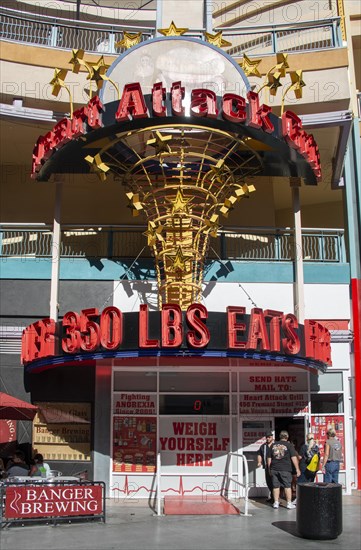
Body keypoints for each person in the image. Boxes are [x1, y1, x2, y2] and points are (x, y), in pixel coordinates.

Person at [267, 430, 301, 509]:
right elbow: (293, 457)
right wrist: (297, 469)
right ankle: (289, 503)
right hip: (285, 469)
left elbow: (269, 458)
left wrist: (269, 468)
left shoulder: (273, 445)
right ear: (287, 437)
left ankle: (276, 503)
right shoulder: (289, 445)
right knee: (287, 486)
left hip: (274, 469)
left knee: (275, 486)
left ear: (280, 437)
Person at [257, 431, 274, 502]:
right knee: (268, 482)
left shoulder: (276, 445)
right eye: (266, 437)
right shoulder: (263, 446)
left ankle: (275, 498)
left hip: (275, 467)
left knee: (275, 483)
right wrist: (259, 462)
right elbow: (259, 454)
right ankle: (273, 497)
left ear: (272, 437)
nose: (268, 439)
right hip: (267, 467)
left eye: (269, 437)